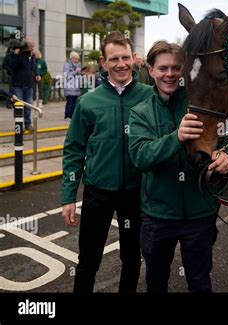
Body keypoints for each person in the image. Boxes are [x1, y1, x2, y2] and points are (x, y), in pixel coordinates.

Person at [128, 41, 228, 293]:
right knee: (155, 283)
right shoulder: (140, 112)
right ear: (151, 70)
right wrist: (176, 138)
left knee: (200, 283)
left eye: (176, 68)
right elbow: (140, 157)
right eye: (163, 68)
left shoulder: (202, 103)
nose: (170, 74)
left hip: (200, 214)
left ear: (185, 70)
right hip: (157, 216)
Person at [61, 31, 154, 293]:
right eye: (114, 59)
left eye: (125, 57)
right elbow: (73, 150)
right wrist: (68, 196)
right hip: (97, 194)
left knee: (132, 258)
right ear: (103, 62)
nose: (121, 64)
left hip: (136, 193)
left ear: (134, 59)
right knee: (88, 261)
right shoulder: (88, 102)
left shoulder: (150, 96)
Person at [2, 38, 37, 131]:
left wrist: (37, 75)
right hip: (17, 85)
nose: (31, 49)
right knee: (19, 105)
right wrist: (17, 55)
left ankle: (28, 124)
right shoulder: (14, 56)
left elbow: (33, 67)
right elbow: (12, 67)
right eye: (30, 47)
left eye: (32, 47)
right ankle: (19, 125)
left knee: (28, 105)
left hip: (29, 84)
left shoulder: (31, 56)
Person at [63, 51, 82, 118]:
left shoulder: (78, 65)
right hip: (69, 87)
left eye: (77, 59)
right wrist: (75, 72)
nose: (77, 60)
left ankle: (73, 116)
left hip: (77, 87)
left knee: (75, 103)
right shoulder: (67, 65)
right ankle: (67, 116)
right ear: (72, 58)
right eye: (76, 59)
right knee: (70, 103)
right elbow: (66, 76)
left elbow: (79, 76)